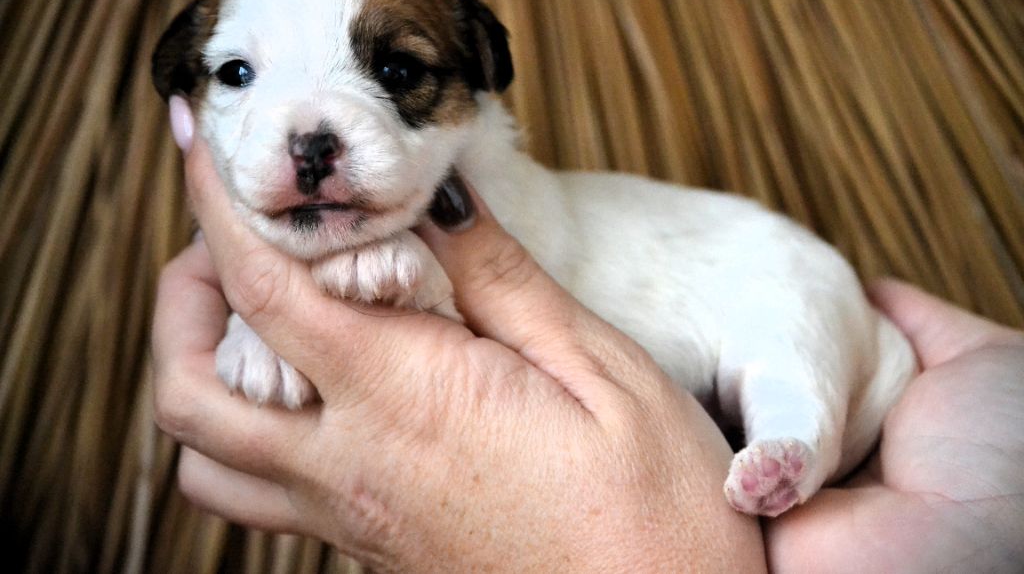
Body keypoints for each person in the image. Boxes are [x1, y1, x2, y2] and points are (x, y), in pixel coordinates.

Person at [152, 101, 1024, 571]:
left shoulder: (489, 206)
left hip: (750, 277)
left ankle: (795, 437)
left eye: (394, 72)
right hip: (735, 478)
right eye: (235, 74)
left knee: (782, 341)